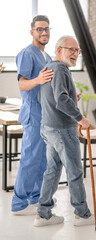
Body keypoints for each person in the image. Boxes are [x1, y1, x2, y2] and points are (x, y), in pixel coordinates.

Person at [34, 36, 96, 227]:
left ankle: (43, 214)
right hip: (63, 130)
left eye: (77, 51)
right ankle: (82, 214)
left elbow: (47, 97)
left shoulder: (49, 67)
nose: (75, 54)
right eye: (71, 49)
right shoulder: (61, 69)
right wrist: (81, 118)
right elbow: (61, 100)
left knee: (52, 171)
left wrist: (73, 96)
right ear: (58, 50)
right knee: (74, 172)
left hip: (49, 127)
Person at [11, 15, 54, 215]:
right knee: (30, 158)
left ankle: (36, 196)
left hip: (46, 114)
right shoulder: (27, 54)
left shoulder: (48, 57)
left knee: (43, 159)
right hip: (33, 113)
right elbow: (22, 84)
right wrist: (37, 79)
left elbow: (48, 85)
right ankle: (19, 202)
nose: (44, 32)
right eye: (39, 29)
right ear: (32, 32)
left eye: (46, 29)